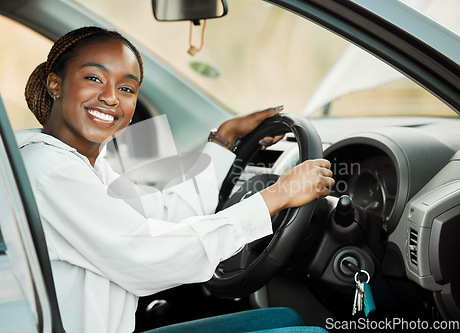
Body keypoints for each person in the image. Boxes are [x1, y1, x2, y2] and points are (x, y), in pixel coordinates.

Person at [17, 26, 334, 333]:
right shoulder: (50, 171)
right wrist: (276, 197)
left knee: (284, 318)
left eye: (126, 88)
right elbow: (149, 258)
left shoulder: (84, 163)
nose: (111, 97)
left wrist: (224, 140)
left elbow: (167, 215)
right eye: (93, 78)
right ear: (55, 85)